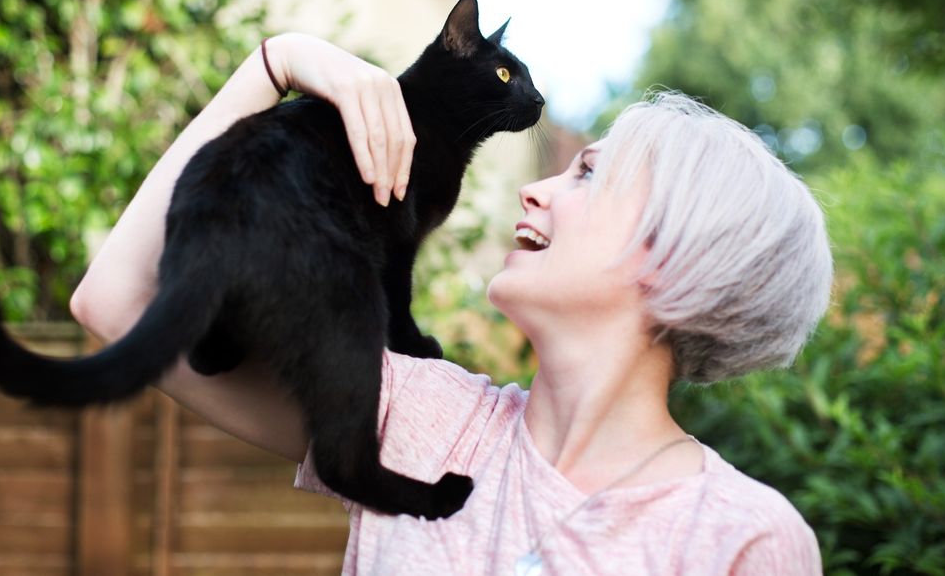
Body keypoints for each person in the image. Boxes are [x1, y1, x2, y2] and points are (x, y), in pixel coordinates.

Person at [71, 32, 832, 575]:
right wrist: (277, 62)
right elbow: (115, 304)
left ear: (679, 257)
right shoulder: (423, 420)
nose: (536, 188)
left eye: (588, 176)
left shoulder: (744, 538)